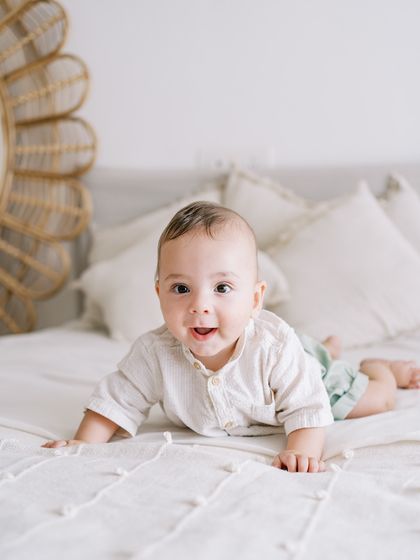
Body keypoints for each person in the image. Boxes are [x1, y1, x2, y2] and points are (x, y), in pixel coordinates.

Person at [42, 202, 420, 472]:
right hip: (292, 364)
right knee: (311, 360)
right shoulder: (153, 353)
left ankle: (378, 367)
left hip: (304, 369)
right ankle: (327, 348)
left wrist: (302, 452)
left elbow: (307, 405)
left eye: (222, 287)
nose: (199, 305)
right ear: (158, 294)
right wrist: (83, 443)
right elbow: (115, 400)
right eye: (180, 289)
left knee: (377, 401)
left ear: (255, 299)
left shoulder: (273, 348)